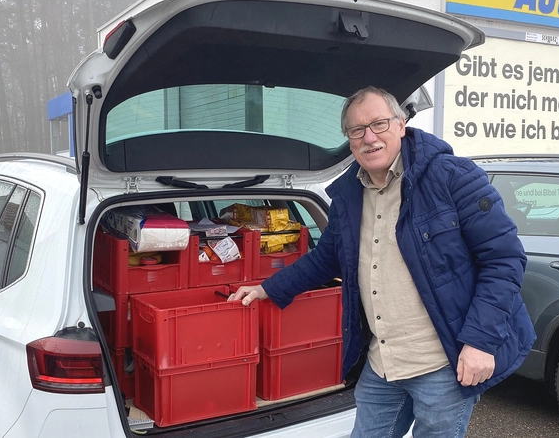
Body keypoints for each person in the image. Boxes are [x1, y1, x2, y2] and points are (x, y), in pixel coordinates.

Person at [229, 86, 536, 437]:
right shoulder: (348, 196)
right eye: (357, 130)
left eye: (379, 124)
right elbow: (326, 258)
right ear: (348, 138)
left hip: (443, 364)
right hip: (382, 362)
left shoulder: (451, 178)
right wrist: (267, 288)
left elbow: (504, 261)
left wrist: (481, 342)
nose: (369, 137)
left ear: (401, 125)